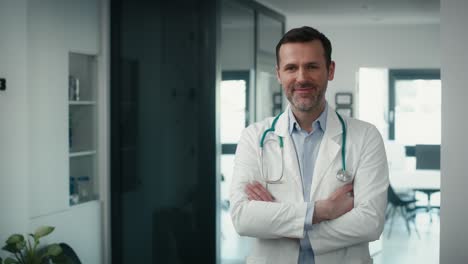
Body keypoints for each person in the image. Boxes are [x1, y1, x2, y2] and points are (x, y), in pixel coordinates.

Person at [229, 26, 389, 264]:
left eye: (312, 66)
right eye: (291, 68)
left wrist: (287, 228)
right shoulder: (254, 137)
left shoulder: (365, 136)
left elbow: (370, 222)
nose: (301, 77)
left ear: (330, 70)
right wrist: (322, 211)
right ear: (279, 74)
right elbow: (242, 217)